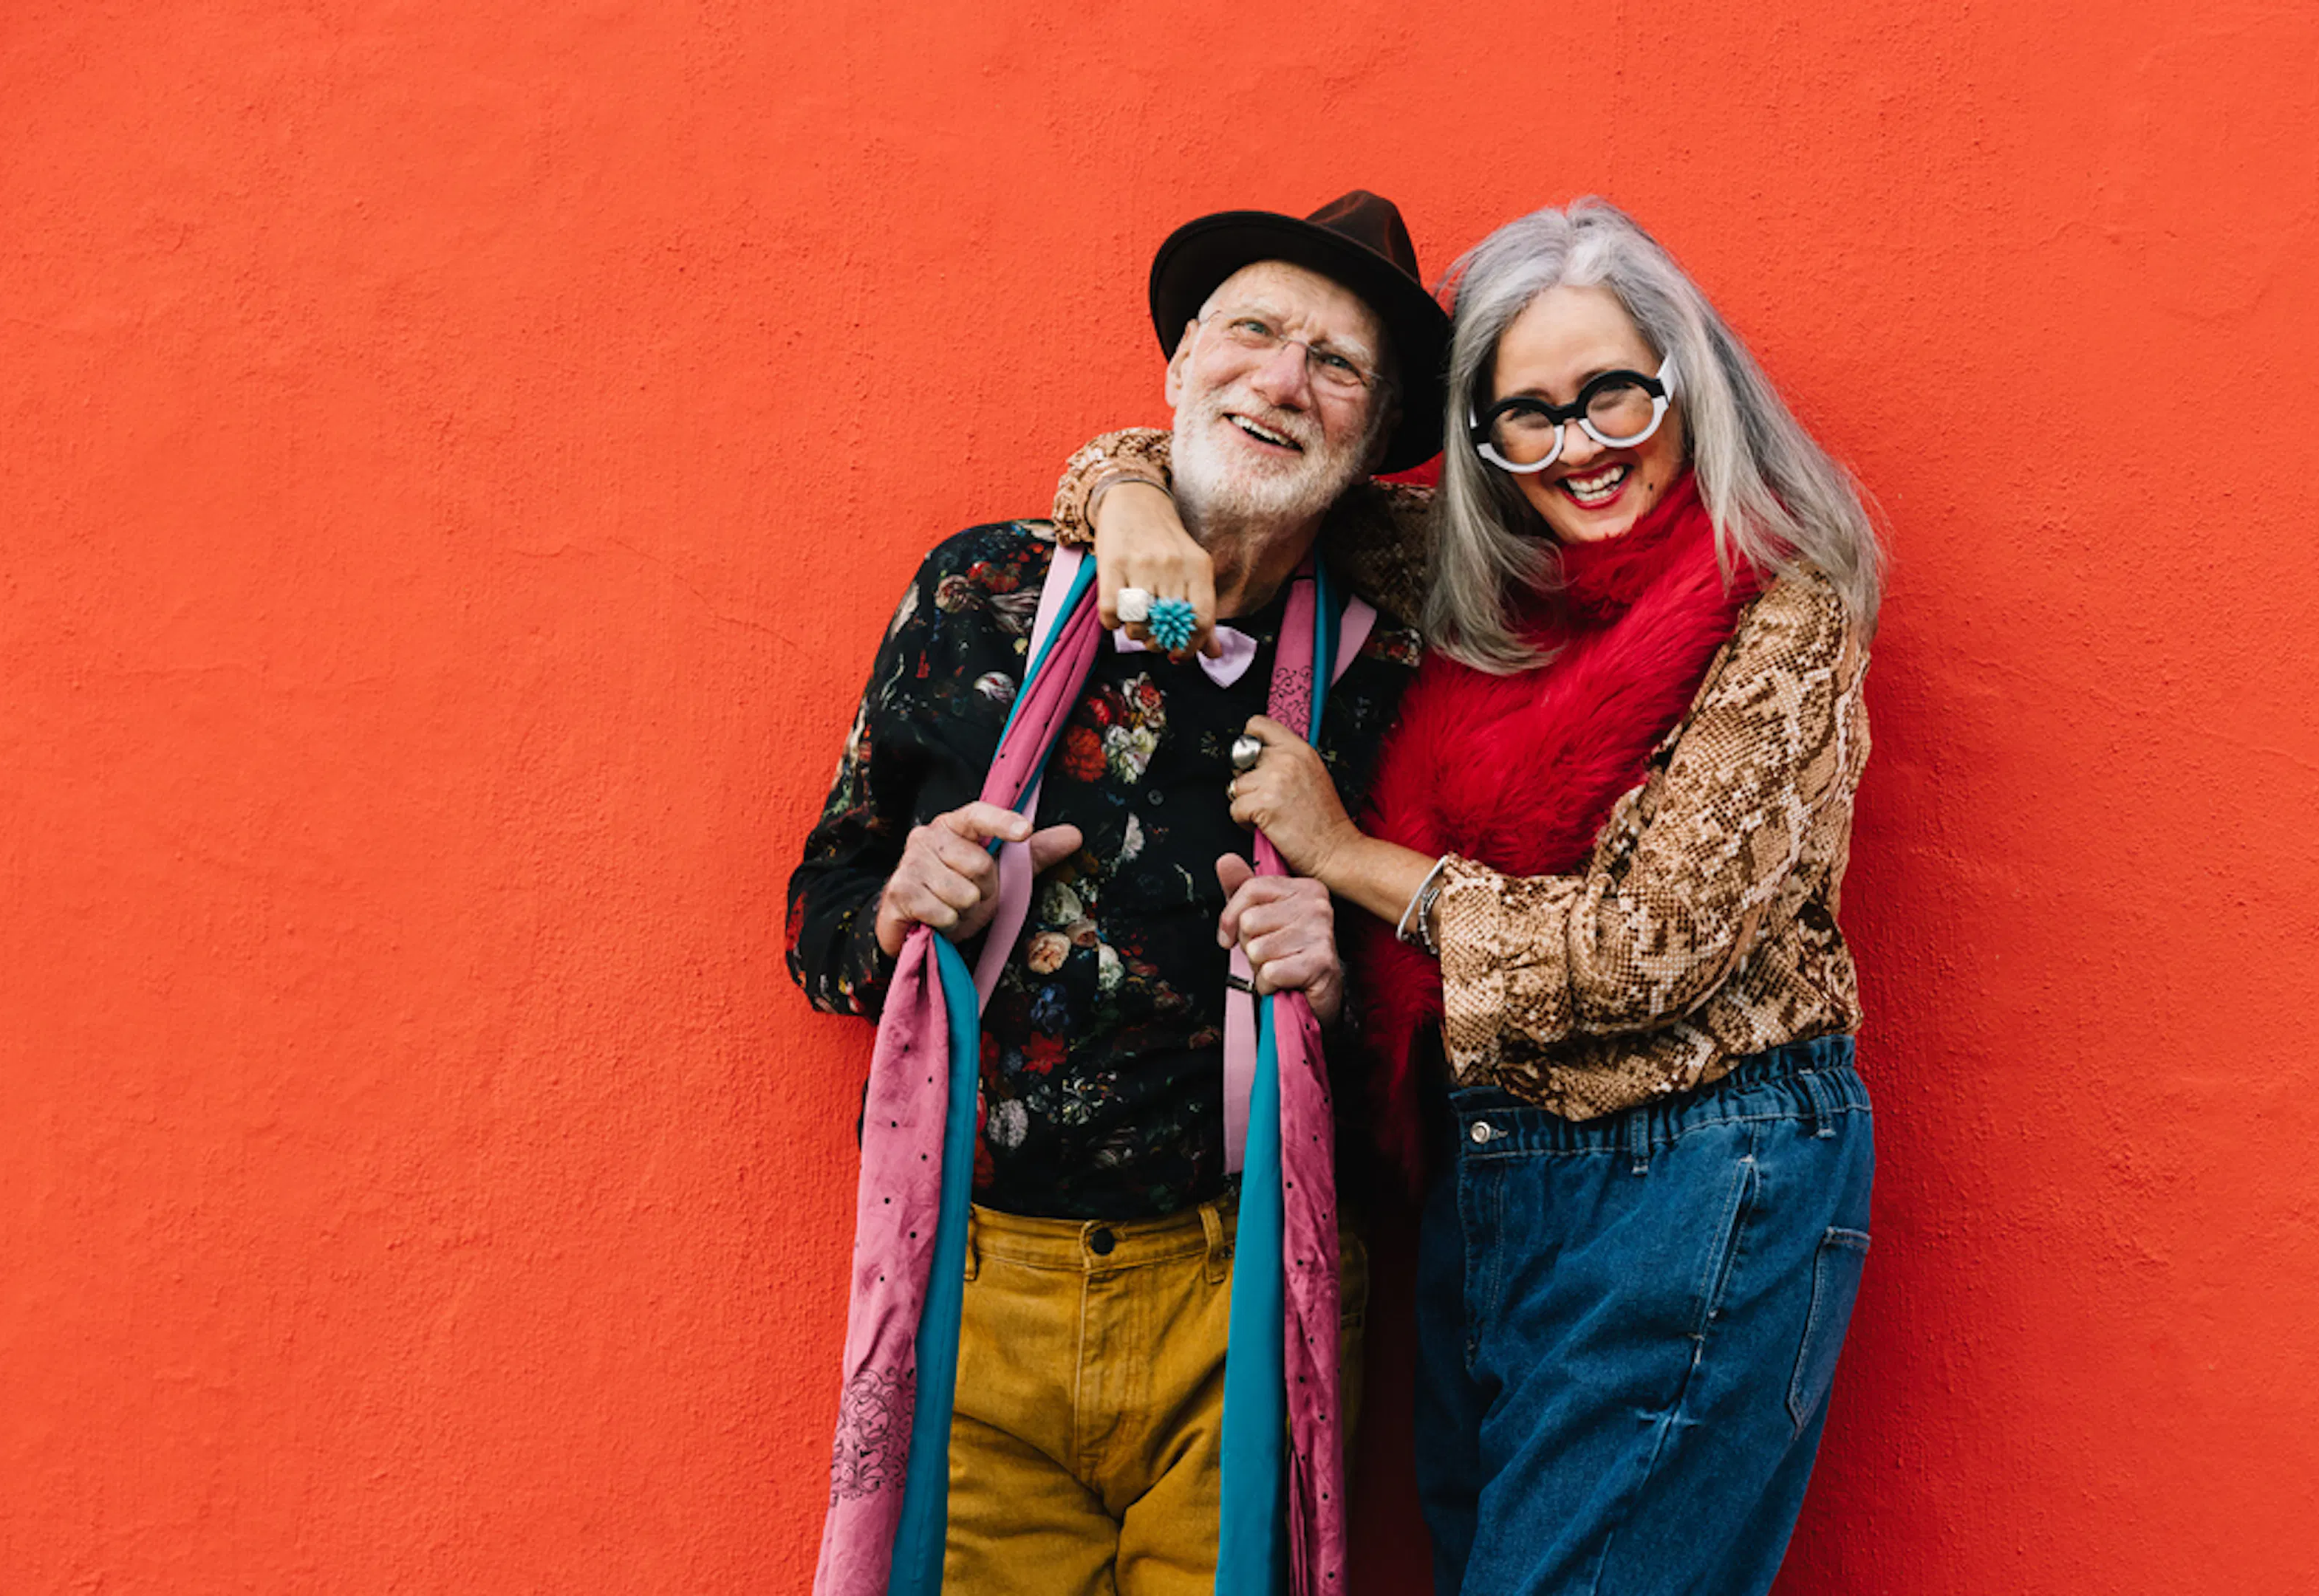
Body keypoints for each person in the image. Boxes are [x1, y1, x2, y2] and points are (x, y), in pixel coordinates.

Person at [1050, 197, 1884, 1596]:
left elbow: (1647, 948)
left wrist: (1346, 857)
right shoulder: (1483, 573)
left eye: (1613, 394)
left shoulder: (1779, 605)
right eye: (1528, 417)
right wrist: (1131, 504)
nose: (1581, 449)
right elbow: (1231, 482)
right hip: (1485, 1181)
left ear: (1687, 379)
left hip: (1696, 1171)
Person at [785, 191, 1447, 1596]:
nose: (1283, 380)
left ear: (1378, 435)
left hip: (1243, 1300)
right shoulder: (981, 592)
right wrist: (896, 906)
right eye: (1253, 330)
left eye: (1336, 364)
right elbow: (819, 909)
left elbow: (1443, 1044)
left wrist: (1339, 983)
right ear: (1183, 359)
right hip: (976, 1296)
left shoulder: (1395, 677)